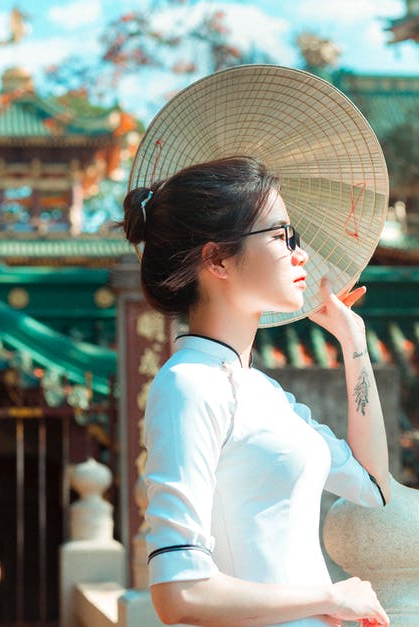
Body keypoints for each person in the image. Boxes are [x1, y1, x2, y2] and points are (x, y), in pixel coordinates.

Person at [121, 155, 392, 627]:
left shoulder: (263, 391)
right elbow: (179, 592)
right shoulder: (189, 385)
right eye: (282, 235)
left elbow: (372, 485)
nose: (299, 253)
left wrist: (353, 343)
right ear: (217, 259)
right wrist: (328, 597)